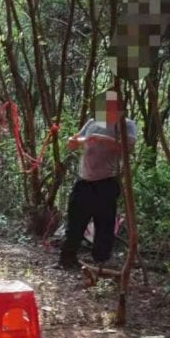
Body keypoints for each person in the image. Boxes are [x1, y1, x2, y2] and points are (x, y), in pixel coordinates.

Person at [57, 91, 137, 269]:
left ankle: (100, 262)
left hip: (106, 182)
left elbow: (127, 147)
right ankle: (67, 259)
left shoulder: (126, 124)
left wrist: (100, 139)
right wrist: (73, 141)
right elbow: (72, 143)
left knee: (104, 224)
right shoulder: (92, 123)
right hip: (84, 181)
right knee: (75, 221)